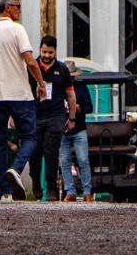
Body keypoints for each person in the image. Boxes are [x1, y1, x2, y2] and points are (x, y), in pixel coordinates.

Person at [0, 0, 46, 200]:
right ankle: (15, 169)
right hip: (18, 93)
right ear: (8, 7)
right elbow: (31, 61)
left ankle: (5, 193)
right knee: (30, 137)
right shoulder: (17, 30)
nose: (20, 10)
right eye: (17, 6)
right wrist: (41, 84)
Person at [29, 35, 78, 201]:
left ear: (55, 51)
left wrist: (71, 118)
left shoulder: (62, 69)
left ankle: (51, 189)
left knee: (51, 153)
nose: (47, 55)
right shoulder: (31, 66)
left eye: (50, 52)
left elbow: (70, 94)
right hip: (35, 116)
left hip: (55, 116)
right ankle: (35, 181)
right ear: (39, 49)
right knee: (35, 153)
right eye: (44, 51)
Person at [60, 60, 94, 202]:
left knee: (83, 160)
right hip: (63, 129)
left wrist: (79, 108)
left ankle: (87, 191)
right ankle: (70, 190)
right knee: (64, 161)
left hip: (79, 128)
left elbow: (89, 107)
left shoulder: (81, 87)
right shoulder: (58, 89)